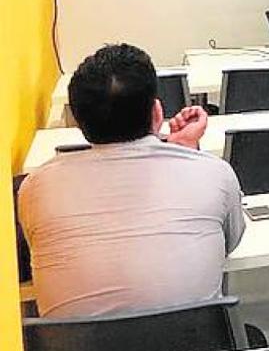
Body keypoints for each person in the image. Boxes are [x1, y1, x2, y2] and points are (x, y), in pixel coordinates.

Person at [18, 44, 245, 318]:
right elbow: (227, 243)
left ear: (77, 122)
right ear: (157, 113)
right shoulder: (215, 173)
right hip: (196, 342)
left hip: (75, 347)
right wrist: (186, 153)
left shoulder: (36, 188)